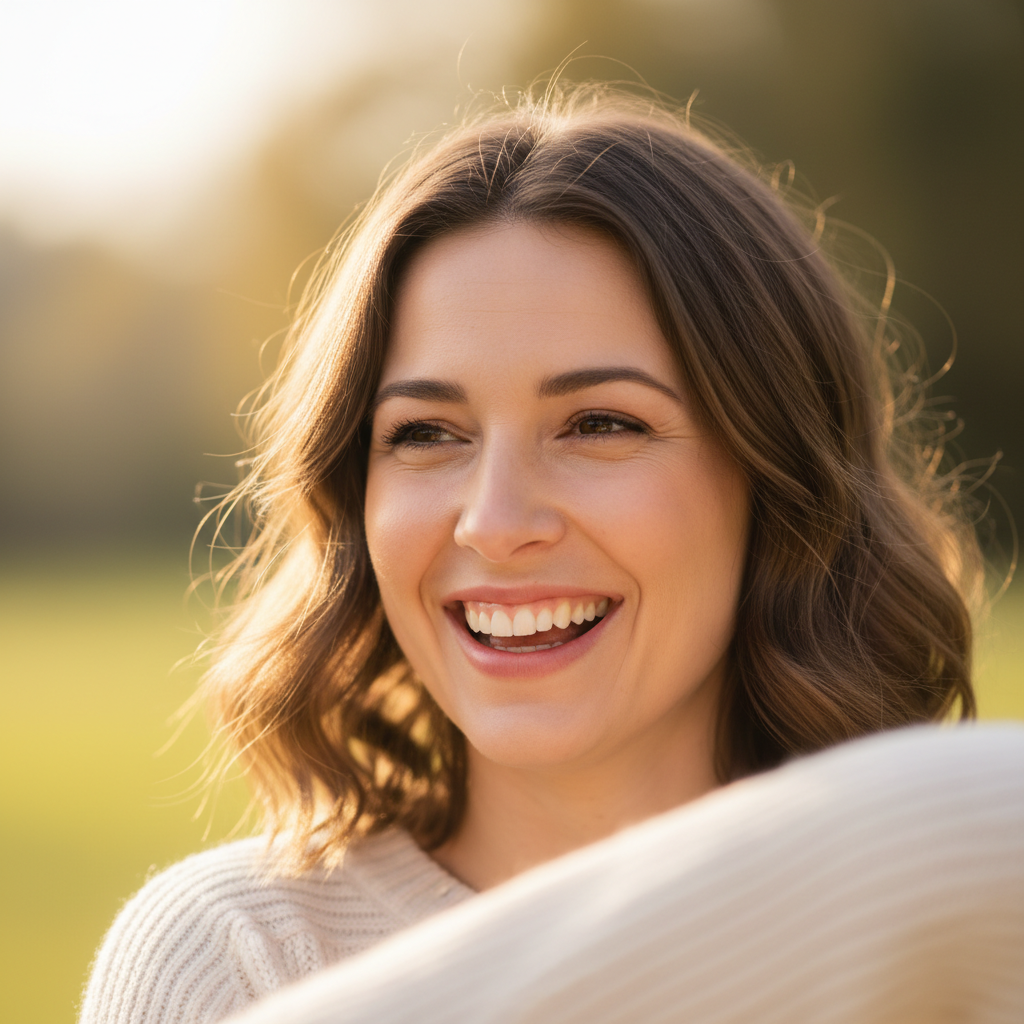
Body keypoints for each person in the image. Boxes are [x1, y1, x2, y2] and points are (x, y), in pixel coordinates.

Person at [80, 83, 1006, 1023]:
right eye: (426, 434)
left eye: (599, 423)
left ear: (774, 477)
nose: (494, 520)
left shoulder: (964, 916)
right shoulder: (239, 961)